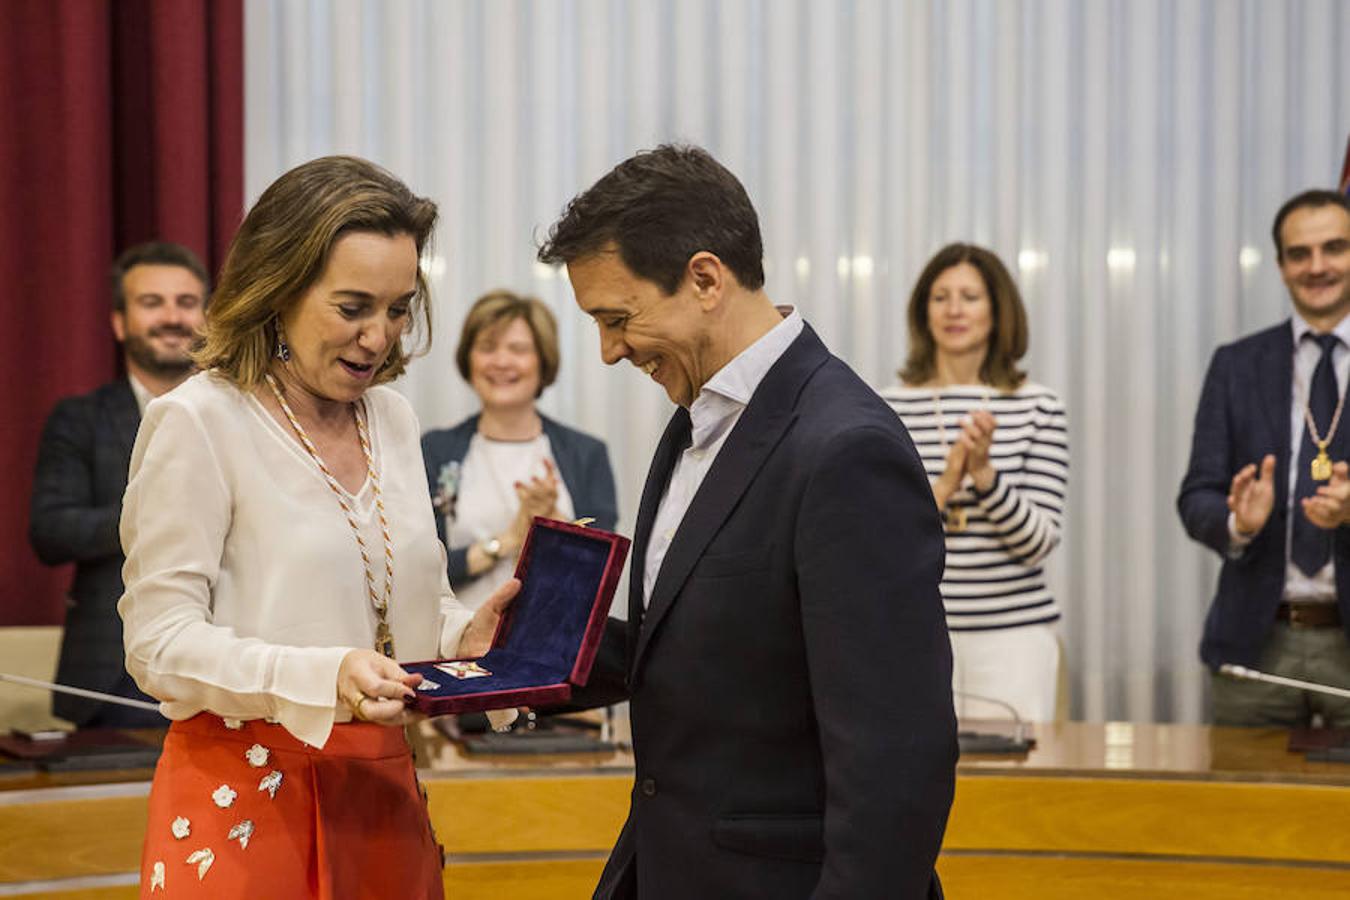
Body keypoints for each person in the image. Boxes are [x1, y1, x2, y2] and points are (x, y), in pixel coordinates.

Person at [537, 144, 955, 899]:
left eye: (617, 318)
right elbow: (687, 644)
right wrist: (514, 654)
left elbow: (897, 761)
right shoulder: (696, 414)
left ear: (704, 278)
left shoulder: (846, 449)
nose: (606, 352)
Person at [117, 156, 518, 898]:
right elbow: (157, 643)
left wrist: (464, 637)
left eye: (398, 309)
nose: (379, 337)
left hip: (382, 792)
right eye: (353, 307)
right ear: (280, 288)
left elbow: (393, 602)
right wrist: (320, 675)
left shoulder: (392, 420)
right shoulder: (198, 420)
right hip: (241, 804)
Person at [1179, 189, 1350, 727]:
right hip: (1256, 646)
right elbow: (1197, 494)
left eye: (1334, 248)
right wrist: (1237, 522)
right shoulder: (1237, 364)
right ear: (1280, 267)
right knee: (1248, 811)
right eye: (1299, 254)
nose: (1317, 266)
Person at [880, 243, 1069, 723]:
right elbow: (882, 541)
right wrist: (945, 483)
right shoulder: (886, 408)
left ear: (998, 309)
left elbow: (1038, 543)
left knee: (1014, 790)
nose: (954, 310)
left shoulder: (1038, 407)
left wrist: (985, 475)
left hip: (1014, 639)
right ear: (924, 312)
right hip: (914, 635)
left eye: (970, 296)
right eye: (940, 297)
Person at [29, 241, 208, 728]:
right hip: (112, 675)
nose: (172, 317)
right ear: (119, 322)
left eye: (186, 303)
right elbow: (51, 531)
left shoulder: (243, 416)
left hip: (223, 665)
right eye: (152, 303)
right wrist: (154, 514)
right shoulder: (80, 418)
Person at [422, 290, 618, 611]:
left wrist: (553, 524)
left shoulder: (586, 454)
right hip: (457, 644)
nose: (501, 361)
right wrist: (508, 540)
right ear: (468, 359)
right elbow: (421, 569)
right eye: (487, 348)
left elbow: (600, 574)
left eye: (518, 349)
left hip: (554, 645)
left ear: (544, 360)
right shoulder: (436, 450)